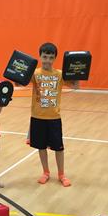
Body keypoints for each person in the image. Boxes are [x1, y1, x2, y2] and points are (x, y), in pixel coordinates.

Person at [28, 43, 79, 187]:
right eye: (45, 57)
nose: (47, 61)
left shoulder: (60, 74)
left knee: (58, 148)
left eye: (51, 58)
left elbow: (76, 86)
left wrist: (79, 74)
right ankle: (46, 172)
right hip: (37, 117)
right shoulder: (35, 74)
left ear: (55, 58)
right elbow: (20, 81)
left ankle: (61, 174)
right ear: (40, 57)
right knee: (41, 147)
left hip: (54, 118)